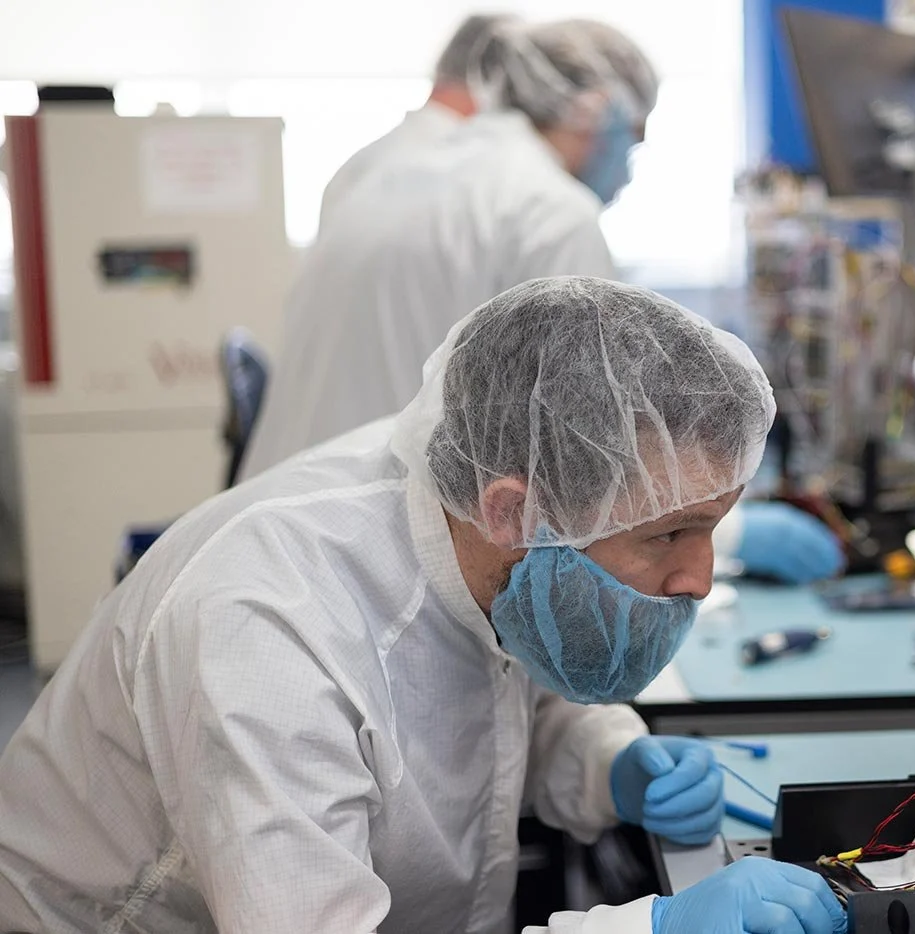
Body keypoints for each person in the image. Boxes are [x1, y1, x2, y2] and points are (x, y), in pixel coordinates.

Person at [0, 278, 846, 934]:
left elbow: (479, 692)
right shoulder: (271, 628)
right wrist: (652, 924)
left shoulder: (477, 511)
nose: (700, 578)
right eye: (671, 535)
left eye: (714, 528)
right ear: (514, 510)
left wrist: (605, 759)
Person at [241, 14, 844, 585]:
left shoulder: (393, 167)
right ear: (599, 111)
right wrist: (721, 530)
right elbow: (576, 443)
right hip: (370, 546)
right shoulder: (549, 212)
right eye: (634, 142)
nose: (628, 171)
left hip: (282, 511)